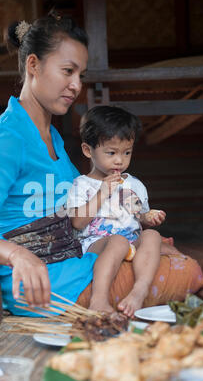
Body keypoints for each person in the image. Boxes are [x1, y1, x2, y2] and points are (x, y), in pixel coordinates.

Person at [0, 11, 203, 317]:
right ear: (33, 65)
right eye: (67, 71)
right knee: (179, 270)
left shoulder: (53, 137)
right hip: (43, 283)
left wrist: (133, 222)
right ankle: (202, 288)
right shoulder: (7, 139)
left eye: (81, 75)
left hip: (73, 261)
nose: (76, 85)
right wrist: (19, 256)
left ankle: (199, 286)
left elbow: (86, 204)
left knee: (155, 247)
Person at [66, 106, 167, 316]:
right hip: (97, 243)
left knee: (152, 236)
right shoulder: (82, 184)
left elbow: (139, 216)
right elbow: (77, 222)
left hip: (131, 240)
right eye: (111, 153)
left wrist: (149, 217)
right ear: (88, 150)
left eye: (127, 152)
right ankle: (99, 300)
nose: (120, 160)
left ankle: (139, 291)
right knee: (118, 241)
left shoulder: (134, 184)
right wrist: (102, 193)